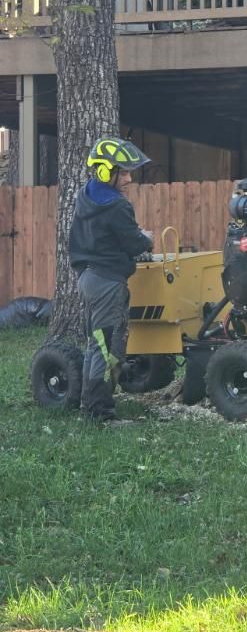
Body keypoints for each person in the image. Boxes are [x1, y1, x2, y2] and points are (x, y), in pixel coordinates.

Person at [69, 137, 154, 422]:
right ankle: (100, 414)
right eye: (124, 172)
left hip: (89, 277)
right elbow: (134, 243)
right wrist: (147, 239)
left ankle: (90, 406)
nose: (129, 179)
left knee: (99, 345)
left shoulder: (87, 195)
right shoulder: (117, 206)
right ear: (106, 171)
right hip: (106, 282)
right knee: (104, 348)